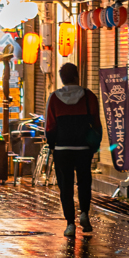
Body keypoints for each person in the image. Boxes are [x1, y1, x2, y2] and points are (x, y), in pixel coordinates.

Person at [45, 62, 102, 237]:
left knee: (66, 186)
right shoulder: (88, 96)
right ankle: (84, 213)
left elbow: (49, 127)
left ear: (62, 79)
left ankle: (70, 224)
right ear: (77, 76)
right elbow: (97, 123)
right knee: (84, 181)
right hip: (83, 148)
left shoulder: (54, 98)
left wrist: (53, 146)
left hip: (62, 148)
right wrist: (95, 145)